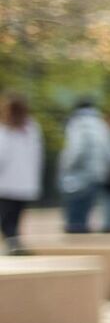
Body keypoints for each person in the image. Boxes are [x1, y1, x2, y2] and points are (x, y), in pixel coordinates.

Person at [57, 99, 110, 234]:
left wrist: (66, 167)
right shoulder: (101, 124)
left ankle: (75, 244)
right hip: (97, 177)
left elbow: (76, 150)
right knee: (85, 216)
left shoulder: (77, 123)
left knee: (74, 218)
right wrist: (104, 170)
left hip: (77, 178)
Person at [0, 95, 42, 255]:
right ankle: (14, 243)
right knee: (14, 217)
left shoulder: (5, 130)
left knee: (6, 217)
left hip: (6, 183)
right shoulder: (31, 128)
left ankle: (13, 244)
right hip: (24, 182)